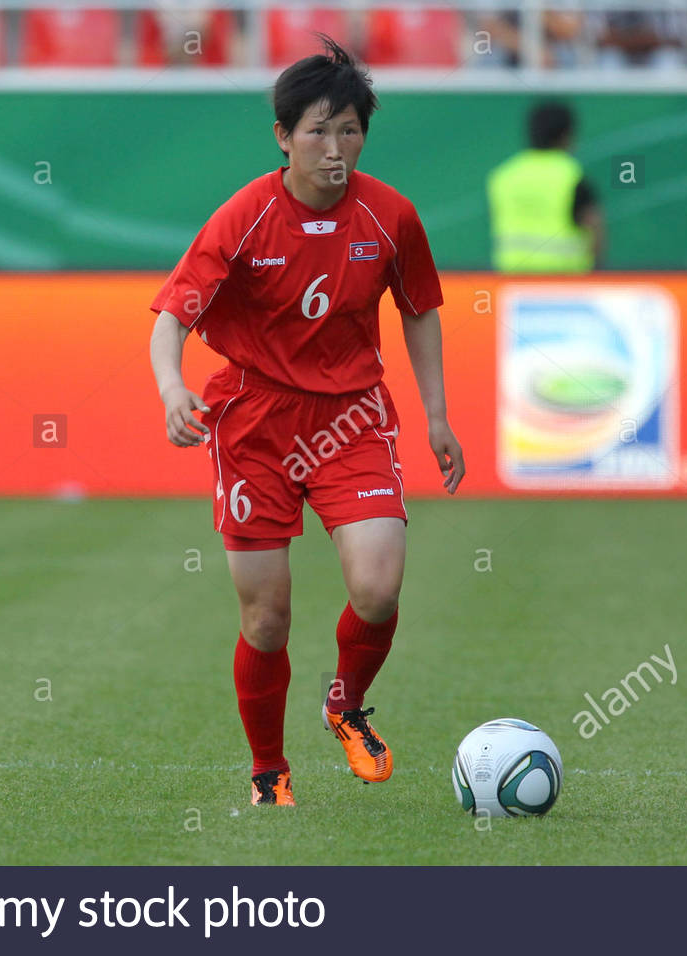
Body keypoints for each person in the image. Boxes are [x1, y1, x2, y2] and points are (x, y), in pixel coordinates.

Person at [148, 36, 466, 807]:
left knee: (378, 587)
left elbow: (419, 310)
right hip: (254, 419)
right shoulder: (246, 217)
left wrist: (437, 415)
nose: (335, 148)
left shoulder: (391, 215)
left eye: (349, 129)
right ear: (283, 137)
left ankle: (346, 706)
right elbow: (171, 317)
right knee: (267, 617)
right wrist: (172, 389)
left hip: (353, 417)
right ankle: (269, 772)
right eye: (317, 131)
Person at [486, 101, 604, 273]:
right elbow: (594, 226)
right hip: (564, 281)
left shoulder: (503, 177)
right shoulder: (571, 175)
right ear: (566, 135)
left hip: (510, 280)